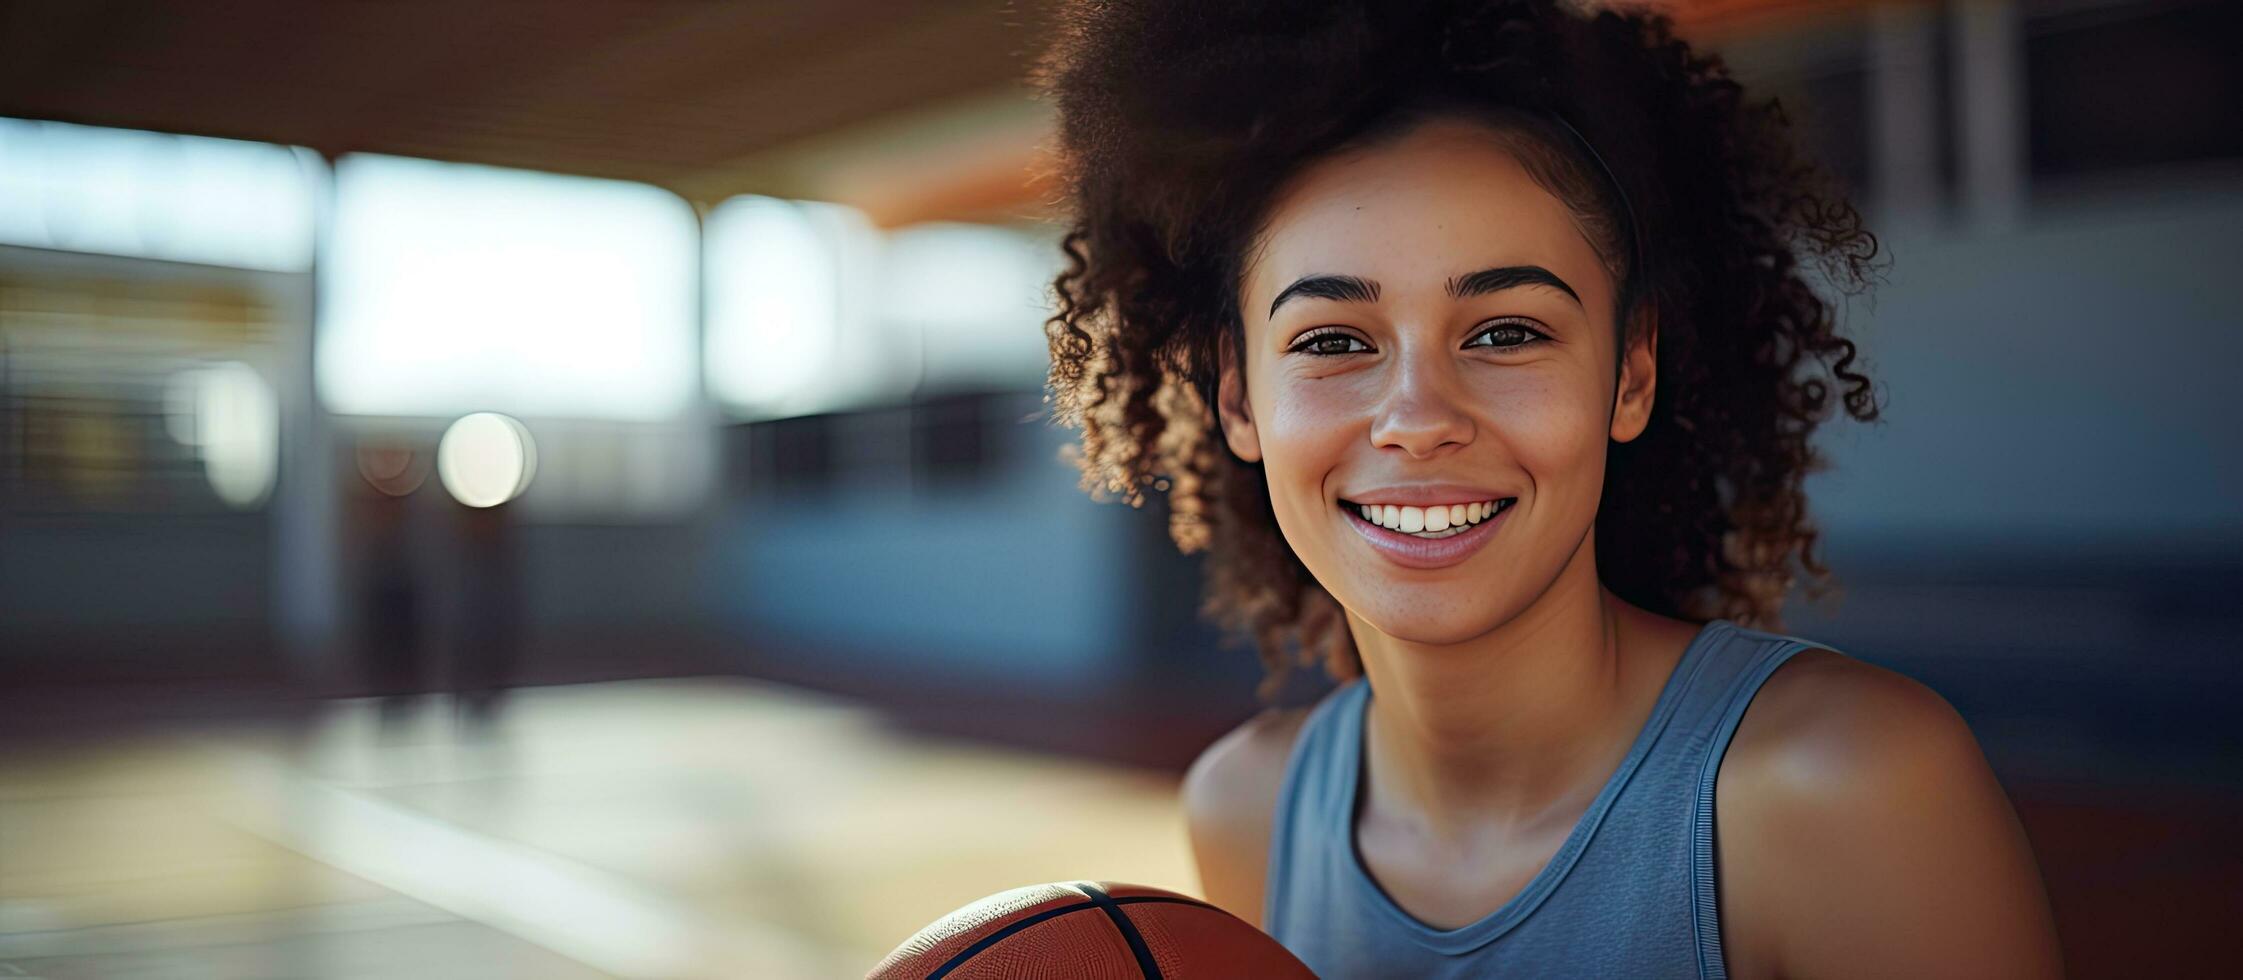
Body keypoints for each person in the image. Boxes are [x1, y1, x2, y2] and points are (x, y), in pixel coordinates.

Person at [1034, 1, 2065, 976]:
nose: (1419, 413)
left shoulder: (1850, 788)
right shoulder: (1243, 810)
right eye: (1334, 340)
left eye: (1506, 331)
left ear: (1628, 373)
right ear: (1237, 397)